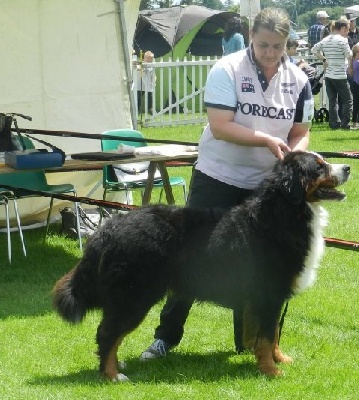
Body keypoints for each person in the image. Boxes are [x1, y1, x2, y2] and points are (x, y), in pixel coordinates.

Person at [140, 7, 314, 360]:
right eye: (264, 44)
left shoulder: (299, 79)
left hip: (265, 187)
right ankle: (165, 337)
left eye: (277, 46)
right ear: (251, 35)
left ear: (286, 44)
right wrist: (266, 140)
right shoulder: (227, 68)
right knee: (188, 255)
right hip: (217, 176)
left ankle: (254, 342)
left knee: (269, 266)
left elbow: (301, 133)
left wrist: (295, 157)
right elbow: (220, 125)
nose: (269, 53)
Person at [312, 19, 353, 130]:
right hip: (340, 75)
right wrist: (350, 66)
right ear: (343, 28)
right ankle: (345, 124)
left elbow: (314, 49)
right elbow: (349, 55)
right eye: (347, 29)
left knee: (332, 100)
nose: (348, 32)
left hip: (328, 75)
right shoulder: (342, 40)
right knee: (348, 100)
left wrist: (324, 59)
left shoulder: (326, 39)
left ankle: (334, 124)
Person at [347, 43, 359, 129]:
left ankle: (355, 122)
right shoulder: (357, 62)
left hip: (355, 84)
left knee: (355, 103)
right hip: (357, 83)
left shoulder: (352, 61)